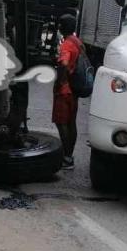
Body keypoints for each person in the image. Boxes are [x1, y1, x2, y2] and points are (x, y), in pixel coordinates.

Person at [52, 14, 82, 170]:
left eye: (60, 25)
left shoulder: (66, 45)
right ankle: (69, 156)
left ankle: (67, 157)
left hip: (65, 90)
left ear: (62, 28)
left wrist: (58, 83)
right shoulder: (78, 42)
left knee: (61, 122)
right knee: (71, 123)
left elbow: (63, 64)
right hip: (75, 89)